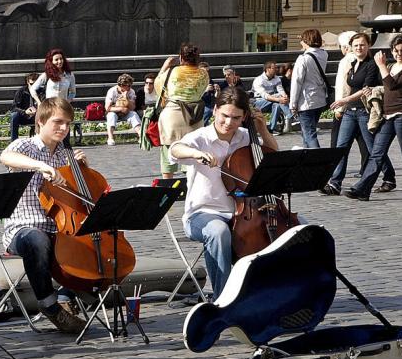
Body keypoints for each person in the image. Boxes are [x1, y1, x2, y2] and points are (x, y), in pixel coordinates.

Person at [171, 86, 279, 298]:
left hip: (244, 213)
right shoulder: (201, 137)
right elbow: (175, 149)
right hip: (203, 214)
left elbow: (272, 157)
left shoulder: (247, 137)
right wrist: (196, 153)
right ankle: (223, 298)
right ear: (215, 110)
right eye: (225, 116)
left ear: (244, 117)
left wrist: (263, 130)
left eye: (236, 118)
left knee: (297, 225)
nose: (229, 122)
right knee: (218, 232)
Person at [0, 97, 90, 334]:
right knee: (37, 239)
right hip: (23, 230)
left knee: (94, 241)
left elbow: (78, 199)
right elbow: (6, 156)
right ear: (40, 121)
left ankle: (66, 296)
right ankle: (49, 305)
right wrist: (41, 166)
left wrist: (82, 170)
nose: (64, 128)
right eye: (58, 122)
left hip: (59, 228)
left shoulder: (65, 155)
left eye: (68, 123)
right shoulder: (25, 145)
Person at [344, 35, 402, 201]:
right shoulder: (391, 66)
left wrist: (381, 66)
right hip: (388, 116)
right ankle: (362, 189)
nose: (399, 54)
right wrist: (372, 90)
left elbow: (393, 85)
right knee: (377, 153)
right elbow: (385, 87)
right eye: (396, 51)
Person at [322, 32, 395, 195]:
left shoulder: (371, 64)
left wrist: (343, 101)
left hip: (364, 111)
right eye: (355, 45)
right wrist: (344, 105)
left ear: (368, 46)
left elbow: (365, 89)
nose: (359, 48)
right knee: (341, 147)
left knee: (373, 148)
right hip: (350, 112)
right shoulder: (353, 63)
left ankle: (389, 177)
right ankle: (335, 183)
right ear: (350, 47)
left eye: (362, 44)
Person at [154, 44, 210, 179]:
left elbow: (158, 86)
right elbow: (202, 91)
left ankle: (168, 186)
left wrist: (165, 66)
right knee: (192, 152)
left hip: (172, 116)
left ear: (181, 57)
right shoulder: (203, 73)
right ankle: (189, 185)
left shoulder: (172, 72)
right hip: (194, 117)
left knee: (168, 153)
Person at [289, 28, 329, 149]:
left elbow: (296, 81)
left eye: (302, 40)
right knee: (308, 132)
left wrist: (293, 104)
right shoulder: (324, 54)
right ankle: (308, 157)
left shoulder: (303, 58)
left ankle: (317, 158)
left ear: (306, 41)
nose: (300, 42)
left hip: (306, 101)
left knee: (309, 134)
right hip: (319, 99)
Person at [30, 48, 77, 143]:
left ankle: (65, 148)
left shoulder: (69, 75)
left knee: (63, 130)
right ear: (51, 61)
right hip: (49, 107)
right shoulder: (46, 75)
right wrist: (39, 102)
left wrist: (67, 101)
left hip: (62, 107)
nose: (59, 61)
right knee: (49, 130)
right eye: (56, 59)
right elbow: (33, 89)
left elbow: (73, 92)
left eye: (61, 59)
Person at [251, 61, 291, 134]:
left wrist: (285, 97)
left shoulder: (277, 78)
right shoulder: (259, 80)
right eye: (274, 68)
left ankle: (272, 128)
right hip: (258, 103)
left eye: (276, 67)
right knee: (278, 98)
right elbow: (265, 96)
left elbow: (280, 90)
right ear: (268, 69)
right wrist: (279, 99)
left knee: (277, 105)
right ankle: (291, 115)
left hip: (272, 102)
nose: (276, 69)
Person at [104, 74, 142, 146]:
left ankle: (141, 136)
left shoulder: (131, 91)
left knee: (134, 114)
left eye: (130, 85)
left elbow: (133, 107)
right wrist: (121, 109)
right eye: (128, 85)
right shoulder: (112, 91)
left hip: (127, 112)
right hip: (114, 112)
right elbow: (107, 108)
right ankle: (110, 138)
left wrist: (127, 98)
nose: (130, 87)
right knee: (111, 116)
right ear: (122, 85)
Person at [10, 73, 39, 142]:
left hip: (37, 116)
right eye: (31, 84)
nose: (34, 86)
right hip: (24, 116)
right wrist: (25, 111)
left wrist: (37, 111)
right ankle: (14, 141)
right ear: (27, 82)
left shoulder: (42, 92)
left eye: (36, 84)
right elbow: (14, 107)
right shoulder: (21, 91)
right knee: (14, 116)